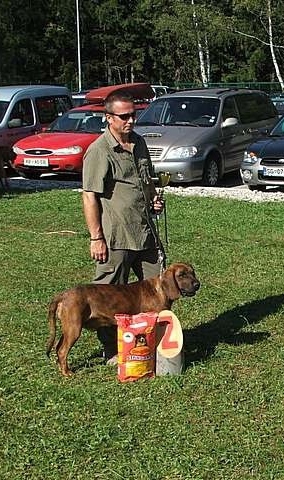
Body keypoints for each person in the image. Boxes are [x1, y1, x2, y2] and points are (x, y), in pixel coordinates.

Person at [82, 91, 164, 363]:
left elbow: (146, 180)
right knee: (108, 298)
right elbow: (89, 195)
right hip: (116, 236)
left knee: (158, 289)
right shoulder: (99, 150)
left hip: (145, 232)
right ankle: (113, 349)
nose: (131, 120)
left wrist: (153, 199)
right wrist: (96, 237)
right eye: (124, 116)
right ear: (109, 118)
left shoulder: (139, 142)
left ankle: (151, 342)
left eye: (134, 114)